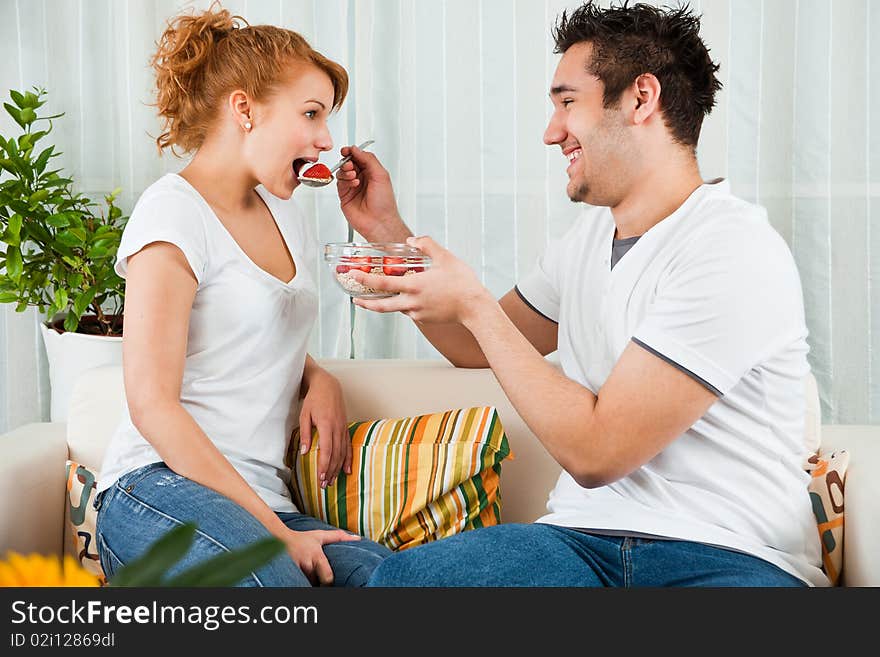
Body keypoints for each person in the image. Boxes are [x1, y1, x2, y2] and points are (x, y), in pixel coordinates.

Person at [333, 1, 826, 587]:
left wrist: (476, 305)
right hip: (578, 542)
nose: (551, 132)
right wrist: (389, 233)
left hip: (727, 551)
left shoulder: (732, 247)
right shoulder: (587, 239)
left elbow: (598, 452)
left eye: (567, 103)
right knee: (401, 586)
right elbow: (474, 347)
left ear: (642, 98)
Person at [94, 4, 391, 587]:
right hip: (157, 488)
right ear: (244, 109)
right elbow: (152, 403)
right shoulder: (172, 211)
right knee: (275, 589)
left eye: (327, 118)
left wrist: (318, 377)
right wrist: (276, 535)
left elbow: (235, 332)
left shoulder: (288, 215)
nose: (326, 139)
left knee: (396, 584)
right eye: (310, 114)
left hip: (261, 501)